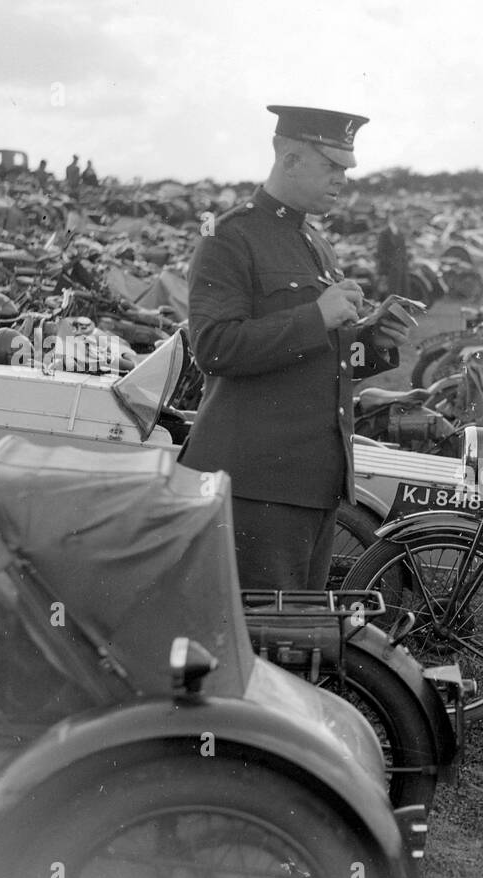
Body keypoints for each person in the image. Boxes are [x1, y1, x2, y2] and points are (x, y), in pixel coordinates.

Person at [179, 105, 409, 591]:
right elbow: (214, 348)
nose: (343, 179)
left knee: (300, 638)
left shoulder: (315, 242)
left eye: (345, 168)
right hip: (254, 484)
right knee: (261, 644)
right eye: (332, 166)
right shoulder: (228, 238)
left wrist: (372, 343)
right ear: (290, 160)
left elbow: (321, 361)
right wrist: (317, 316)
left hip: (313, 483)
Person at [375, 208, 409, 297]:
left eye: (402, 218)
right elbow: (380, 253)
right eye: (399, 217)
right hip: (389, 271)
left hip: (401, 270)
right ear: (392, 217)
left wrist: (403, 264)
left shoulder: (399, 233)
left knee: (402, 295)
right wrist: (392, 264)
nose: (400, 220)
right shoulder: (384, 233)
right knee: (391, 296)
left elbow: (403, 251)